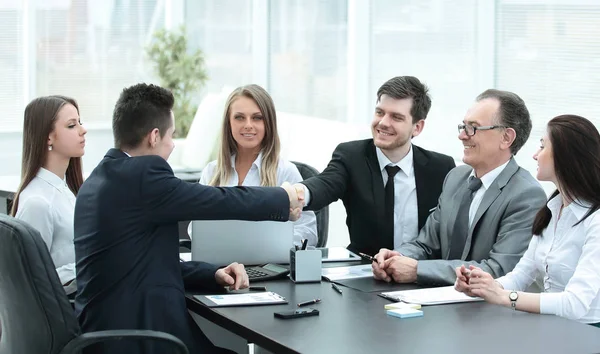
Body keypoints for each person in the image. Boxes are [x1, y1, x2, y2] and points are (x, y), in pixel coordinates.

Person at [73, 83, 302, 354]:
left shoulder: (98, 179)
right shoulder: (145, 176)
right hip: (143, 339)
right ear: (154, 136)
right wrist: (282, 199)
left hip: (107, 335)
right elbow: (221, 200)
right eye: (172, 136)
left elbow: (144, 262)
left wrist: (212, 273)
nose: (172, 146)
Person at [373, 89, 546, 286]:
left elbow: (498, 270)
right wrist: (396, 258)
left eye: (473, 128)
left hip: (488, 312)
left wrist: (417, 270)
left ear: (506, 138)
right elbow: (427, 244)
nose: (462, 136)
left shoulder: (526, 195)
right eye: (463, 126)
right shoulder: (456, 177)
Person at [455, 115, 600, 327]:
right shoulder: (551, 210)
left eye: (542, 147)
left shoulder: (595, 221)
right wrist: (482, 286)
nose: (535, 155)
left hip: (587, 334)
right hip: (551, 328)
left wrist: (505, 297)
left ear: (565, 155)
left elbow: (575, 304)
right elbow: (521, 276)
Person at [294, 76, 456, 255]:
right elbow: (325, 184)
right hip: (366, 272)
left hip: (420, 273)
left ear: (417, 127)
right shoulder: (351, 156)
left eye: (396, 117)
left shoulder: (441, 168)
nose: (383, 123)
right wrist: (296, 194)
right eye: (380, 112)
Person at [200, 84, 317, 246]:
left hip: (269, 266)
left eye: (257, 117)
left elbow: (308, 233)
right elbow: (196, 230)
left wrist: (267, 245)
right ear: (229, 123)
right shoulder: (212, 171)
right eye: (239, 117)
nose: (248, 124)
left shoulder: (285, 172)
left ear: (268, 123)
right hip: (220, 268)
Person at [11, 95, 86, 296]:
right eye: (72, 125)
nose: (82, 130)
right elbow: (29, 279)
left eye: (80, 122)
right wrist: (90, 266)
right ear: (48, 137)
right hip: (65, 315)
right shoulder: (38, 203)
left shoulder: (66, 190)